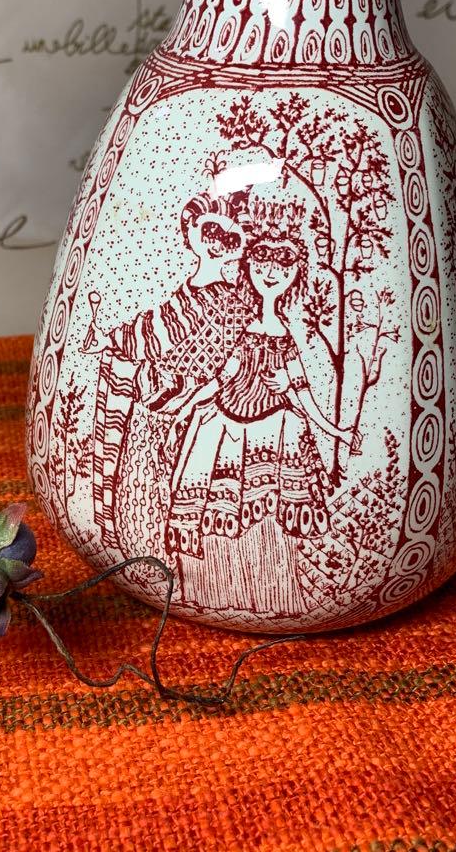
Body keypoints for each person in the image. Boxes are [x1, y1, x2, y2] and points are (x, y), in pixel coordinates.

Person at [159, 198, 359, 617]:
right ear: (248, 264)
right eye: (262, 260)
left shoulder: (284, 334)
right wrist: (185, 405)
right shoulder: (240, 323)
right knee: (218, 512)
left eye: (283, 264)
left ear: (295, 272)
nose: (271, 272)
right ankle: (215, 587)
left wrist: (334, 429)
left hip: (273, 431)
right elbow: (221, 378)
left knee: (265, 514)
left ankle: (267, 595)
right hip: (224, 427)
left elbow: (301, 393)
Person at [82, 190, 251, 580]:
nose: (217, 244)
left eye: (228, 238)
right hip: (167, 394)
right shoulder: (193, 293)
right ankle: (127, 534)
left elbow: (155, 335)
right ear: (192, 233)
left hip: (191, 399)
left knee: (121, 376)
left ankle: (139, 537)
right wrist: (111, 339)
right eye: (210, 233)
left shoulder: (224, 300)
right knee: (142, 479)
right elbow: (152, 330)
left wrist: (111, 341)